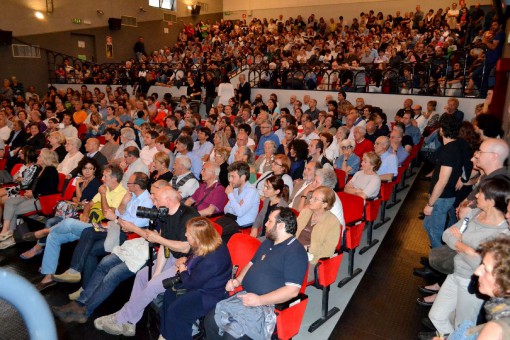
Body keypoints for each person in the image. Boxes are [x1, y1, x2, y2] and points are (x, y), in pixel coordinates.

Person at [89, 184, 199, 335]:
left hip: (189, 263)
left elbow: (185, 247)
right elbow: (163, 247)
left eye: (157, 199)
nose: (154, 202)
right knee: (143, 276)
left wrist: (159, 240)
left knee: (153, 285)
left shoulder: (189, 216)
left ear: (168, 200)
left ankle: (121, 317)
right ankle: (130, 322)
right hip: (173, 256)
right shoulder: (165, 214)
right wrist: (156, 273)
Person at [204, 207, 308, 340]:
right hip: (246, 297)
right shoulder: (268, 242)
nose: (265, 224)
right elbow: (251, 263)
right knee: (211, 321)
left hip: (266, 307)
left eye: (270, 221)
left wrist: (259, 300)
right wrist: (238, 280)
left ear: (281, 226)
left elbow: (292, 291)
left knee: (232, 336)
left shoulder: (295, 252)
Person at [428, 178, 510, 335]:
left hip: (472, 283)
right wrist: (467, 248)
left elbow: (483, 266)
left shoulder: (503, 233)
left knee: (463, 326)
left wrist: (459, 242)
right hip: (455, 273)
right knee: (436, 316)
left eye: (480, 193)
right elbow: (447, 235)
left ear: (491, 201)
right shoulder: (474, 214)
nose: (476, 196)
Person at [51, 172, 153, 295]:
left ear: (137, 186)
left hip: (127, 235)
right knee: (88, 231)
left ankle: (83, 286)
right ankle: (76, 273)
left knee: (91, 250)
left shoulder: (147, 202)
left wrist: (115, 217)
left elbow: (132, 226)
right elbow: (121, 213)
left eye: (129, 183)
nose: (127, 185)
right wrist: (123, 203)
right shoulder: (132, 195)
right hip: (115, 227)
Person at [35, 164, 127, 291]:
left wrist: (103, 195)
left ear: (114, 179)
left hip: (103, 228)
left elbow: (108, 213)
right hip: (90, 224)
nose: (102, 178)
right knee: (54, 236)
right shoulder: (105, 187)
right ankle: (48, 276)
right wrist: (84, 213)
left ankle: (46, 230)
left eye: (105, 176)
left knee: (68, 223)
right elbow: (89, 204)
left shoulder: (122, 193)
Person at [159, 217, 232, 340]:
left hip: (210, 295)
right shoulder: (208, 243)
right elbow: (195, 257)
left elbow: (190, 284)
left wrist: (182, 270)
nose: (185, 234)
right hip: (200, 283)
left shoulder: (213, 260)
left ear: (199, 238)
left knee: (177, 312)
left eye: (189, 233)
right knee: (169, 295)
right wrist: (186, 261)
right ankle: (166, 335)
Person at [19, 157, 103, 259]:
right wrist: (78, 199)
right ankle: (43, 250)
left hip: (82, 216)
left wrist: (77, 186)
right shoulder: (82, 180)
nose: (87, 171)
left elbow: (82, 199)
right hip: (72, 211)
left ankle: (38, 249)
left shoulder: (96, 183)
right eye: (85, 168)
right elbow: (74, 197)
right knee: (50, 221)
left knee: (52, 224)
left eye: (90, 168)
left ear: (94, 169)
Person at [0, 149, 60, 250]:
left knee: (14, 209)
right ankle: (6, 231)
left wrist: (33, 193)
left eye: (40, 156)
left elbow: (49, 190)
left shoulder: (51, 171)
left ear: (46, 159)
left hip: (42, 200)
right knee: (10, 202)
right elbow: (32, 185)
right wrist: (29, 192)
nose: (37, 157)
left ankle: (9, 236)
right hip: (32, 196)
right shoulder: (39, 169)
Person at [296, 186, 340, 270]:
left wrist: (308, 251)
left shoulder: (333, 223)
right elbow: (292, 232)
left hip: (312, 261)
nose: (310, 200)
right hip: (294, 251)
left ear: (325, 204)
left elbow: (327, 251)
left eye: (315, 199)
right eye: (311, 197)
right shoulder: (305, 212)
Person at [217, 161, 259, 240]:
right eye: (230, 176)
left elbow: (239, 213)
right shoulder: (235, 190)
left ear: (243, 177)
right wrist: (237, 204)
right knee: (208, 230)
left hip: (240, 227)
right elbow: (226, 210)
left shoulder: (251, 191)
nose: (230, 180)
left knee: (212, 236)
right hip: (229, 220)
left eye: (233, 176)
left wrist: (231, 196)